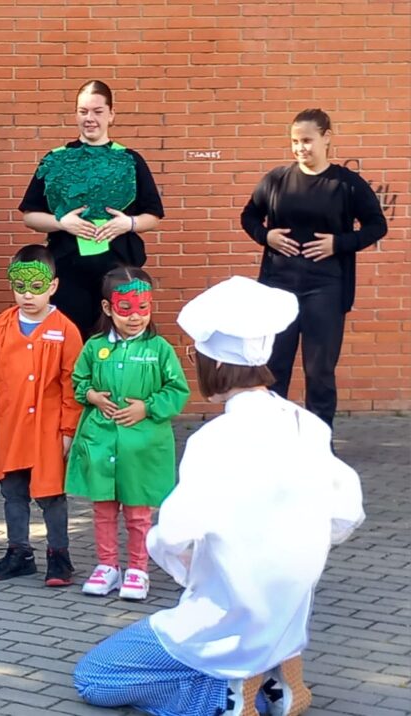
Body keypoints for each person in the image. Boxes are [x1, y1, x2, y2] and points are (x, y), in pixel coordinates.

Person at [74, 276, 365, 716]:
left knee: (96, 677)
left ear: (213, 364)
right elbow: (346, 510)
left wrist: (191, 569)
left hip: (222, 613)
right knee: (210, 648)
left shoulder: (215, 438)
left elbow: (174, 534)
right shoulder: (307, 424)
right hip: (289, 608)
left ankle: (226, 695)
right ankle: (274, 675)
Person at [240, 108, 387, 430]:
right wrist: (266, 236)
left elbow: (377, 225)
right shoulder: (277, 180)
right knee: (274, 367)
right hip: (278, 287)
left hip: (326, 288)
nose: (300, 148)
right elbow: (249, 215)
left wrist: (339, 243)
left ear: (326, 138)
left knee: (319, 370)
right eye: (295, 141)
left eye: (307, 140)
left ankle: (320, 440)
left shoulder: (346, 184)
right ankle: (273, 436)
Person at [66, 267, 190, 601]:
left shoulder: (159, 349)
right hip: (102, 442)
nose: (135, 317)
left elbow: (177, 390)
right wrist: (91, 395)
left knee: (138, 513)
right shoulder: (94, 347)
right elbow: (78, 380)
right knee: (103, 509)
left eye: (143, 308)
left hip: (141, 447)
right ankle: (107, 565)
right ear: (108, 308)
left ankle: (138, 568)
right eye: (126, 309)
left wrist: (147, 407)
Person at [0, 244, 83, 587]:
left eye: (36, 287)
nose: (27, 295)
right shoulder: (1, 327)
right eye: (19, 287)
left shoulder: (65, 330)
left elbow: (73, 384)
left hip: (48, 430)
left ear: (53, 286)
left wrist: (68, 430)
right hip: (10, 426)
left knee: (50, 494)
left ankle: (59, 556)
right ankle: (19, 553)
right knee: (13, 491)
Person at [19, 79, 164, 338]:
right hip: (67, 273)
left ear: (111, 115)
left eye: (98, 111)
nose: (90, 118)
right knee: (71, 343)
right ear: (76, 114)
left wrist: (129, 224)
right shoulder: (56, 159)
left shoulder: (130, 160)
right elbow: (30, 216)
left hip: (119, 272)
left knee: (119, 342)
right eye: (83, 111)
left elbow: (153, 215)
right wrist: (62, 223)